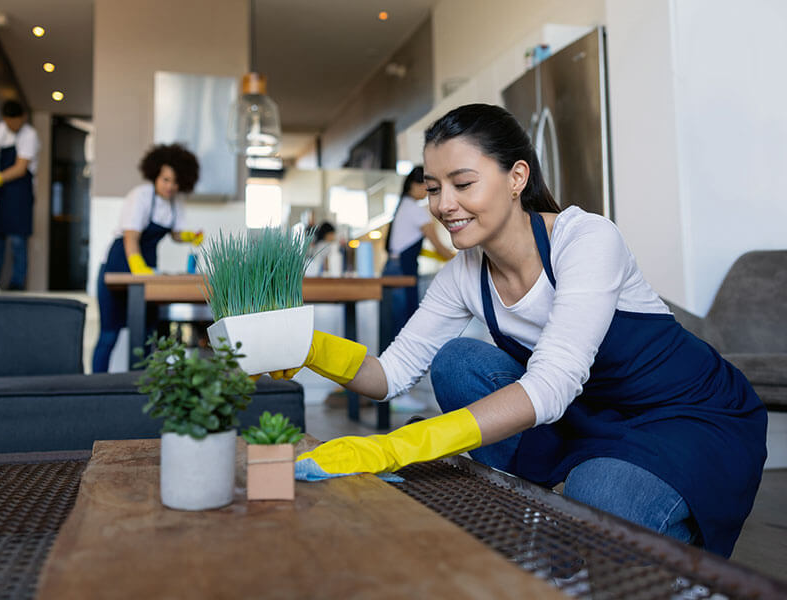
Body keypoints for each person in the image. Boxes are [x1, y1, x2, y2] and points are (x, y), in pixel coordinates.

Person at [271, 104, 766, 558]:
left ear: (516, 177)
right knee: (459, 362)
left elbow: (550, 385)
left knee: (600, 495)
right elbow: (389, 375)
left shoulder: (585, 238)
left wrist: (399, 447)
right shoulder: (462, 275)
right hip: (589, 412)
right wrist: (306, 345)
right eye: (433, 187)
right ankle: (529, 517)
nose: (444, 204)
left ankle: (675, 572)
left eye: (463, 184)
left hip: (684, 415)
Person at [92, 143, 203, 373]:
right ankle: (95, 385)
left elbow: (174, 234)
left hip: (147, 269)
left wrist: (190, 236)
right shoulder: (140, 196)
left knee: (147, 332)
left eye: (175, 181)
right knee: (109, 334)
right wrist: (137, 266)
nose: (170, 186)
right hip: (118, 264)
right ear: (155, 175)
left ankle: (142, 384)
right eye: (165, 179)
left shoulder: (175, 203)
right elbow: (131, 237)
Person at [381, 166, 455, 411]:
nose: (428, 190)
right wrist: (464, 258)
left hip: (393, 270)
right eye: (427, 184)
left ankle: (393, 393)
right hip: (402, 274)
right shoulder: (415, 210)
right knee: (404, 331)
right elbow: (438, 244)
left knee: (396, 329)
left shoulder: (403, 207)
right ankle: (398, 394)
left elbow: (424, 249)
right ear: (414, 185)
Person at [0, 100, 41, 290]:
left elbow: (20, 169)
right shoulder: (2, 128)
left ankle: (17, 285)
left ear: (23, 118)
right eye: (9, 122)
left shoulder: (30, 135)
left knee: (18, 241)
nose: (12, 126)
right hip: (4, 192)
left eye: (15, 122)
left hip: (20, 192)